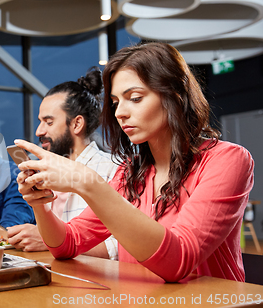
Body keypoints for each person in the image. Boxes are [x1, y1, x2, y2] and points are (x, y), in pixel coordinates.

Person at [14, 43, 254, 282]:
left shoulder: (228, 160)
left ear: (175, 95)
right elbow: (66, 245)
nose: (120, 113)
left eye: (135, 98)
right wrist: (40, 202)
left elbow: (180, 260)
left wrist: (87, 182)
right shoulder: (130, 172)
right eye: (116, 102)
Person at [7, 67, 118, 258]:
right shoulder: (45, 174)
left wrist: (51, 241)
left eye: (48, 122)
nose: (39, 131)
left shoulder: (112, 169)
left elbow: (119, 247)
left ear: (76, 124)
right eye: (40, 121)